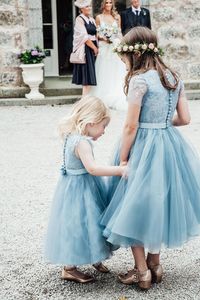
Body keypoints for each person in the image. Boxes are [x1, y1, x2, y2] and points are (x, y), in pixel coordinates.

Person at [101, 26, 200, 290]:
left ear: (135, 54)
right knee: (160, 204)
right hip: (169, 145)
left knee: (135, 205)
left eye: (125, 56)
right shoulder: (173, 76)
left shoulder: (140, 80)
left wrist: (123, 159)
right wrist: (162, 123)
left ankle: (141, 271)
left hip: (144, 147)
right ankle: (155, 264)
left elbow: (130, 126)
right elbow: (185, 119)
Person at [45, 96, 126, 284]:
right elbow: (93, 169)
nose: (104, 132)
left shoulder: (71, 136)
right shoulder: (82, 142)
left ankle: (94, 256)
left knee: (91, 223)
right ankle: (69, 268)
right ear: (91, 123)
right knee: (80, 225)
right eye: (103, 126)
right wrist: (120, 170)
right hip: (81, 190)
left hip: (74, 186)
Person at [89, 0, 127, 110]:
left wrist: (118, 42)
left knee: (116, 69)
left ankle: (115, 92)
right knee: (104, 69)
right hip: (104, 47)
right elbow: (96, 34)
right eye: (106, 2)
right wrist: (105, 38)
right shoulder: (99, 17)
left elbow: (119, 32)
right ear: (103, 4)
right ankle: (102, 94)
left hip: (114, 47)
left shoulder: (117, 17)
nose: (108, 5)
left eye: (110, 2)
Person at [71, 0, 98, 95]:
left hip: (93, 47)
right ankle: (84, 99)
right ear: (81, 9)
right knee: (87, 77)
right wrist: (94, 48)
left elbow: (96, 34)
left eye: (90, 6)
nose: (89, 8)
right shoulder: (80, 19)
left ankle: (88, 97)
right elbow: (84, 36)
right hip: (86, 49)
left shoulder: (91, 19)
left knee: (91, 76)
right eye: (87, 7)